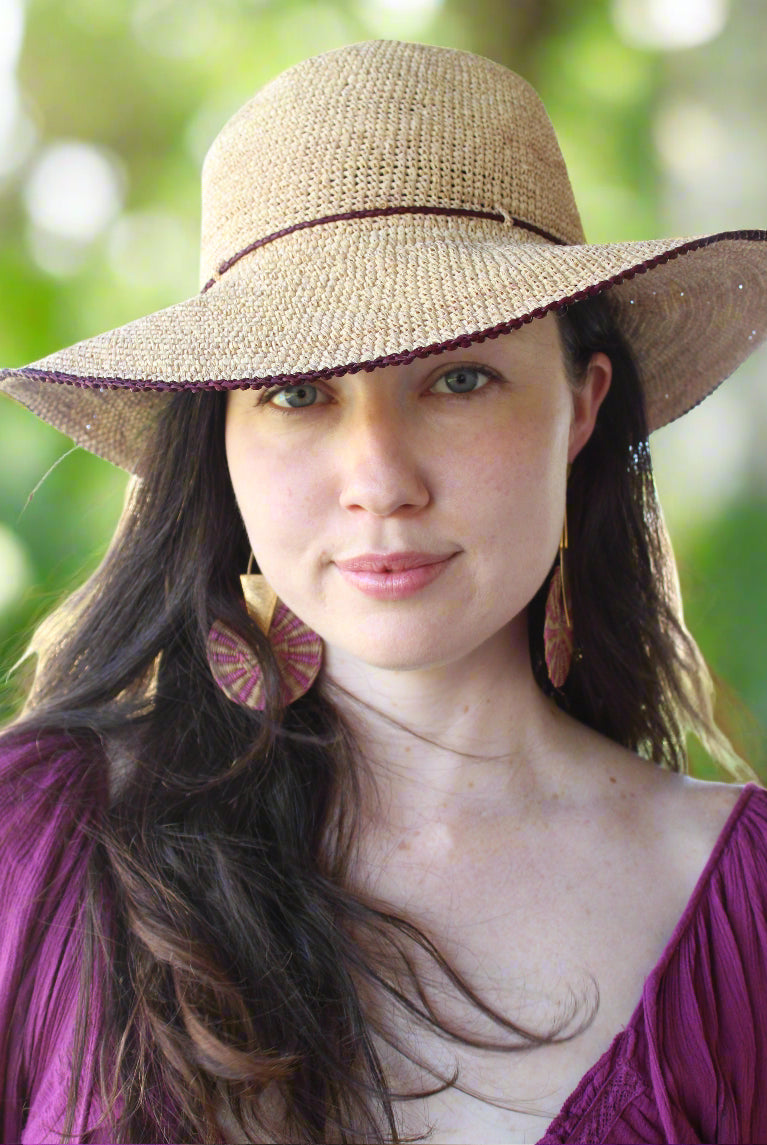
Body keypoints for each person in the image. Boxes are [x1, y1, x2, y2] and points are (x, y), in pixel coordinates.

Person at [0, 37, 766, 1145]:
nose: (379, 481)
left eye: (458, 377)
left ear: (582, 405)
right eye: (298, 391)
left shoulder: (742, 910)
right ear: (219, 433)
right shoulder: (39, 842)